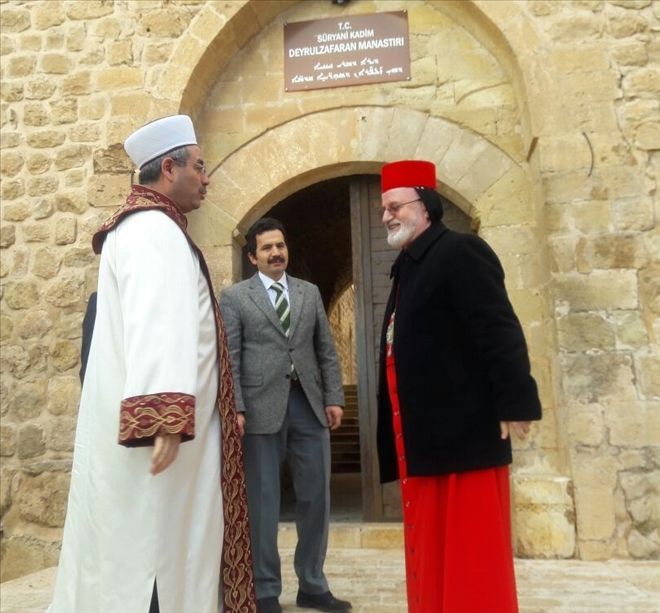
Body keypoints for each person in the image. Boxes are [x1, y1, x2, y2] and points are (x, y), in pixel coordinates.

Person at [49, 115, 255, 613]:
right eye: (200, 167)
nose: (207, 178)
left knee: (159, 550)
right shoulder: (151, 230)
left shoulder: (148, 228)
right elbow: (156, 323)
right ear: (169, 167)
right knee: (156, 558)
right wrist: (163, 419)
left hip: (172, 438)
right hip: (163, 444)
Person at [377, 160, 542, 613]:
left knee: (472, 560)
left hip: (464, 438)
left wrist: (515, 401)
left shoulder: (461, 251)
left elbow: (498, 328)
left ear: (425, 205)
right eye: (384, 209)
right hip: (426, 440)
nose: (387, 215)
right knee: (432, 555)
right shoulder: (406, 266)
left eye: (395, 206)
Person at [220, 218, 351, 613]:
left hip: (308, 406)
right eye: (267, 248)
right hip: (260, 410)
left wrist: (334, 397)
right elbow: (232, 356)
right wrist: (237, 406)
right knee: (262, 501)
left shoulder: (308, 293)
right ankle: (264, 590)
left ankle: (313, 583)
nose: (276, 253)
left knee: (316, 498)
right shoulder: (236, 298)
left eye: (280, 245)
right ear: (252, 257)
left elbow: (325, 350)